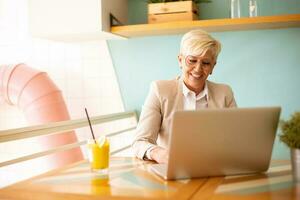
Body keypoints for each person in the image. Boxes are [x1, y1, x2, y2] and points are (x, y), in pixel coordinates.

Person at [132, 29, 237, 164]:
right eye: (192, 60)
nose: (198, 69)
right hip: (172, 172)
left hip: (214, 169)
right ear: (180, 60)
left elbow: (236, 139)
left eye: (205, 63)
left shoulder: (225, 93)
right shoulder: (159, 90)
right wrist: (158, 153)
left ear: (213, 67)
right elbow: (139, 142)